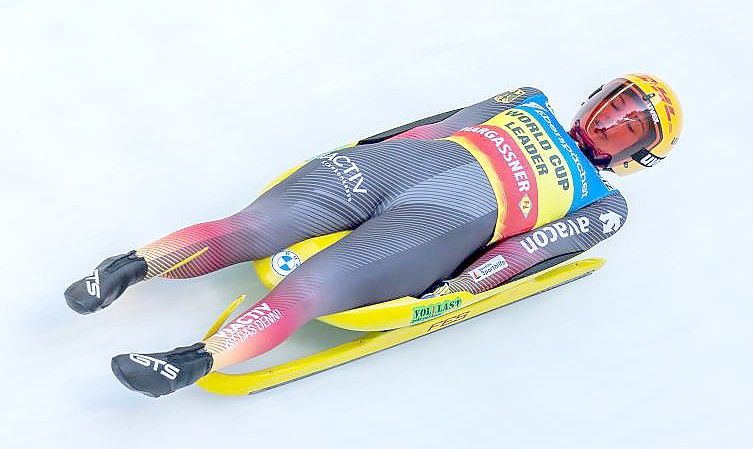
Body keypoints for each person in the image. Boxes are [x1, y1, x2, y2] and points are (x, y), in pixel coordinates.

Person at [65, 73, 683, 397]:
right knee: (253, 227)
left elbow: (527, 253)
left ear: (637, 154)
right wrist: (362, 154)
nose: (609, 125)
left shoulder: (604, 205)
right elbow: (435, 125)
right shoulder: (528, 99)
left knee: (312, 288)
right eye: (613, 108)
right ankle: (128, 267)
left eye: (628, 129)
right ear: (595, 99)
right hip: (392, 171)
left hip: (439, 226)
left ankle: (194, 361)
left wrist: (457, 289)